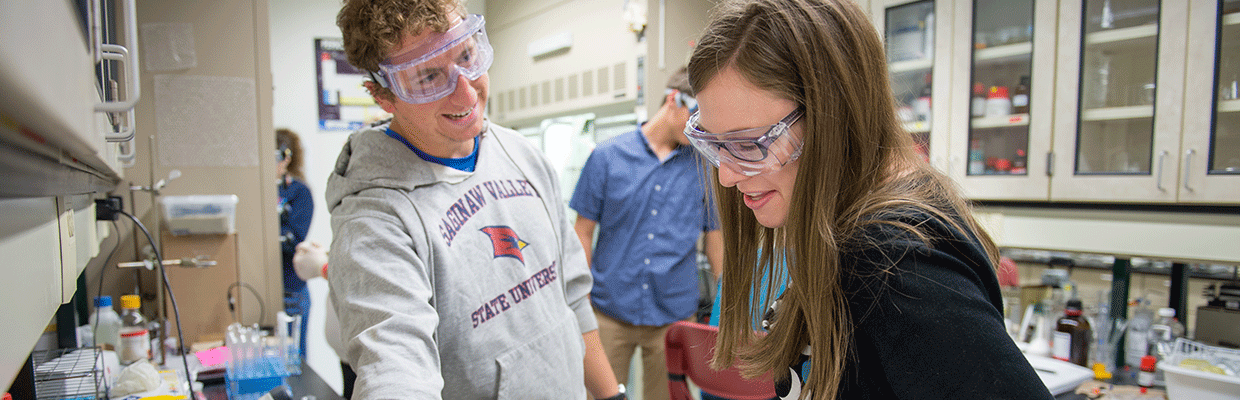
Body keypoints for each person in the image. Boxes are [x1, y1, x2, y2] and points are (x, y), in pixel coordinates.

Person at [681, 0, 1054, 398]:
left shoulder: (893, 259)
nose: (727, 175)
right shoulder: (847, 230)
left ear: (831, 117)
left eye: (748, 144)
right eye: (714, 145)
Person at [326, 0, 623, 398]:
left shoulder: (520, 153)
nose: (466, 92)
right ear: (383, 96)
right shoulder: (374, 221)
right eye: (428, 76)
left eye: (466, 56)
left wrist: (612, 395)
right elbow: (396, 366)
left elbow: (571, 298)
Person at [569, 67, 723, 400]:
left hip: (674, 314)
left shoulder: (703, 167)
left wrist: (727, 302)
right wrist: (582, 297)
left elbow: (715, 238)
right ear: (674, 99)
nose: (702, 130)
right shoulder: (607, 157)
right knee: (597, 395)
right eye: (697, 117)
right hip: (609, 309)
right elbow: (583, 231)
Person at [277, 127, 313, 359]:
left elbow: (294, 238)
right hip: (264, 287)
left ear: (286, 157)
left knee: (294, 363)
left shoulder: (298, 192)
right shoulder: (259, 191)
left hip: (291, 291)